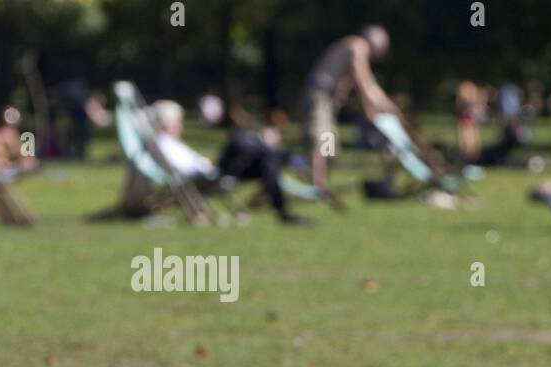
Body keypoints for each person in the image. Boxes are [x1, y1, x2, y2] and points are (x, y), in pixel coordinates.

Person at [150, 100, 309, 224]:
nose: (181, 126)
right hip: (207, 176)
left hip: (212, 173)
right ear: (166, 123)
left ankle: (275, 156)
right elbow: (185, 170)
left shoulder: (172, 143)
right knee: (238, 139)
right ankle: (283, 156)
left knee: (267, 161)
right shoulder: (163, 144)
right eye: (178, 121)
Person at [301, 24, 400, 193]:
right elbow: (365, 83)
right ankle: (318, 185)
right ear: (374, 41)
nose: (382, 52)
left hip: (328, 99)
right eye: (383, 46)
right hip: (320, 96)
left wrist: (374, 107)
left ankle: (320, 181)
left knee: (328, 140)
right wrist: (380, 106)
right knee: (322, 136)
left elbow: (358, 82)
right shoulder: (358, 46)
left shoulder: (353, 47)